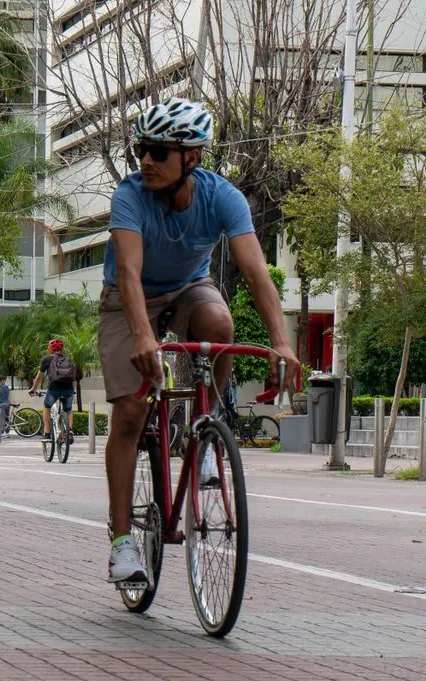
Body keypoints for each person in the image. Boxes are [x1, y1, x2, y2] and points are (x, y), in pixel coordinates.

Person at [98, 98, 299, 586]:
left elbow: (255, 272)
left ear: (192, 158)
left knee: (220, 328)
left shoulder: (223, 197)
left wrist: (282, 342)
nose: (145, 160)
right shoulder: (130, 196)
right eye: (141, 149)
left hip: (190, 287)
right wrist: (144, 338)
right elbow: (128, 272)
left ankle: (205, 426)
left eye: (158, 152)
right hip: (131, 296)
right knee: (129, 413)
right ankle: (122, 543)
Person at [28, 339, 77, 442]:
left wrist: (33, 389)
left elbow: (39, 377)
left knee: (47, 407)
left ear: (50, 349)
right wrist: (73, 390)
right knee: (68, 411)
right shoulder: (69, 359)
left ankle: (47, 433)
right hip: (68, 390)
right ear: (62, 349)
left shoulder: (47, 360)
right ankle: (70, 431)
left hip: (54, 390)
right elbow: (73, 377)